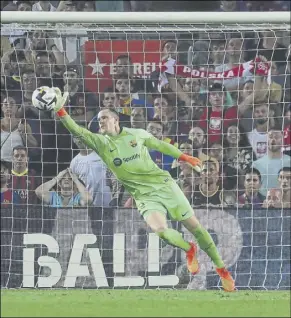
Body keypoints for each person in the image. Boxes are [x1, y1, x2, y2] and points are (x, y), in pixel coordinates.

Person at [48, 88, 235, 292]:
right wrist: (60, 110)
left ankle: (222, 270)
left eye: (104, 118)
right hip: (143, 196)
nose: (100, 121)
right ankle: (188, 249)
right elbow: (76, 129)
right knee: (161, 232)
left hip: (164, 185)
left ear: (116, 120)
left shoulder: (137, 134)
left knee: (196, 228)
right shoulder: (101, 143)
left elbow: (161, 146)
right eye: (99, 119)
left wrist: (185, 157)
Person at [252, 130, 291, 196]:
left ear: (282, 141)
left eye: (277, 137)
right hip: (262, 203)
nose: (273, 139)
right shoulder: (256, 164)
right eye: (270, 137)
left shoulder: (289, 161)